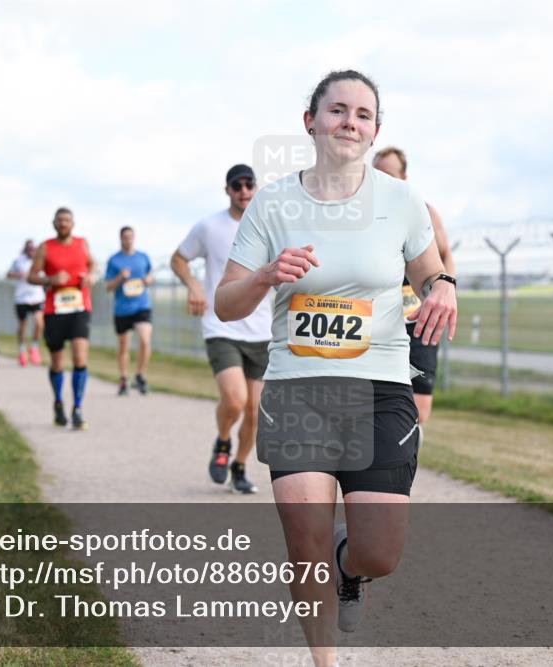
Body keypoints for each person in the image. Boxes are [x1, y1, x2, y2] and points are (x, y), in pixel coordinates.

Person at [215, 70, 457, 666]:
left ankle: (352, 570)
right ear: (311, 121)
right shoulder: (273, 202)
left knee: (379, 553)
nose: (350, 122)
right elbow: (226, 301)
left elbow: (430, 270)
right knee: (306, 544)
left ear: (375, 130)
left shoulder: (401, 201)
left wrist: (443, 288)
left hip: (379, 388)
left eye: (363, 114)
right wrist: (267, 275)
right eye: (338, 110)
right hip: (299, 389)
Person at [171, 164, 271, 495]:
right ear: (227, 190)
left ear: (256, 188)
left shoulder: (270, 226)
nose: (244, 191)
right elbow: (179, 259)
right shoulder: (209, 227)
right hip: (222, 324)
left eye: (249, 185)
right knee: (234, 399)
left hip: (262, 331)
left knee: (255, 414)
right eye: (236, 186)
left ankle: (239, 467)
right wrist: (194, 287)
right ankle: (223, 441)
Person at [373, 146, 456, 426]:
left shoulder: (424, 212)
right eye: (376, 173)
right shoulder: (361, 215)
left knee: (419, 407)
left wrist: (447, 293)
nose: (381, 180)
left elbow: (445, 258)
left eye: (389, 174)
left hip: (418, 319)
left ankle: (408, 456)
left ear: (404, 177)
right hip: (378, 320)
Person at [26, 207, 96, 430]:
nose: (64, 223)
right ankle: (58, 402)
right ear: (54, 224)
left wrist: (91, 275)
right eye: (60, 220)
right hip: (54, 310)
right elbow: (31, 276)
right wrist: (50, 279)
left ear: (73, 223)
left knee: (79, 356)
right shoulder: (45, 247)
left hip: (79, 307)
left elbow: (92, 263)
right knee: (57, 361)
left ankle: (77, 408)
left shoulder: (82, 243)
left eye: (67, 220)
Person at [104, 227, 154, 395]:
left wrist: (148, 280)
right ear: (120, 239)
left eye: (131, 237)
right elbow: (108, 287)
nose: (128, 240)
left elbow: (150, 276)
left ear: (134, 238)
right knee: (124, 346)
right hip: (122, 309)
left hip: (141, 306)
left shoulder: (143, 257)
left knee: (145, 340)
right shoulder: (114, 260)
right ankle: (123, 378)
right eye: (125, 237)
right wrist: (120, 278)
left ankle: (139, 375)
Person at [7, 239, 45, 366]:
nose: (31, 251)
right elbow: (8, 274)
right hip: (22, 298)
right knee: (23, 326)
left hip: (37, 297)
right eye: (29, 248)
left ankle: (34, 347)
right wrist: (19, 275)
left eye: (33, 249)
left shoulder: (40, 261)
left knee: (39, 323)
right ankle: (22, 351)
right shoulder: (18, 261)